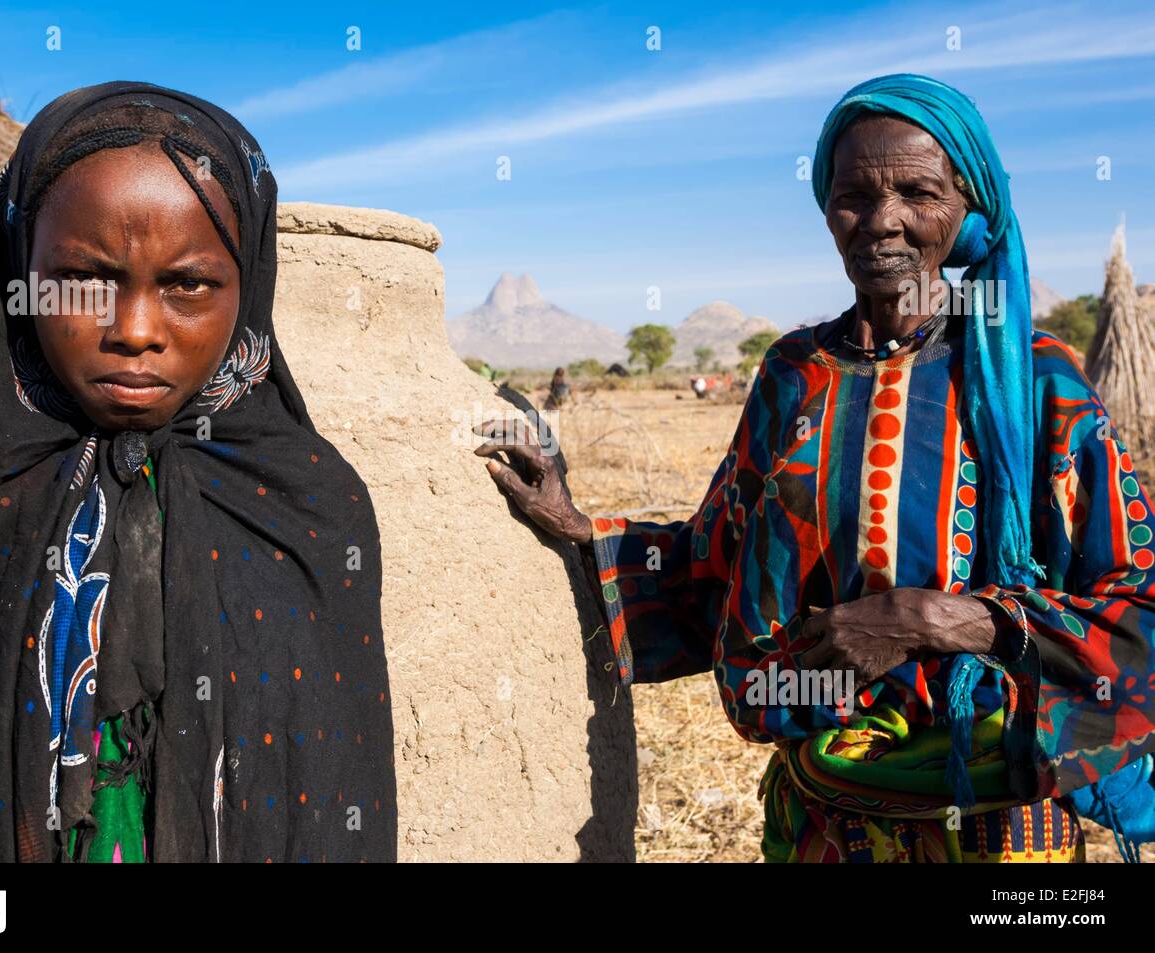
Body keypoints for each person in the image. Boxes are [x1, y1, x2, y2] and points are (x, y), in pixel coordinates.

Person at [475, 74, 1155, 863]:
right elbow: (714, 561)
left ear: (968, 207)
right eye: (853, 195)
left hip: (995, 832)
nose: (883, 221)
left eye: (918, 192)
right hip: (821, 827)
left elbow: (1138, 616)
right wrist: (576, 524)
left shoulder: (1038, 381)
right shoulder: (794, 373)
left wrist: (935, 619)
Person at [0, 82, 397, 862]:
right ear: (18, 270)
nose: (135, 331)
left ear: (249, 287)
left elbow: (334, 788)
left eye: (188, 286)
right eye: (84, 280)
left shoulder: (312, 511)